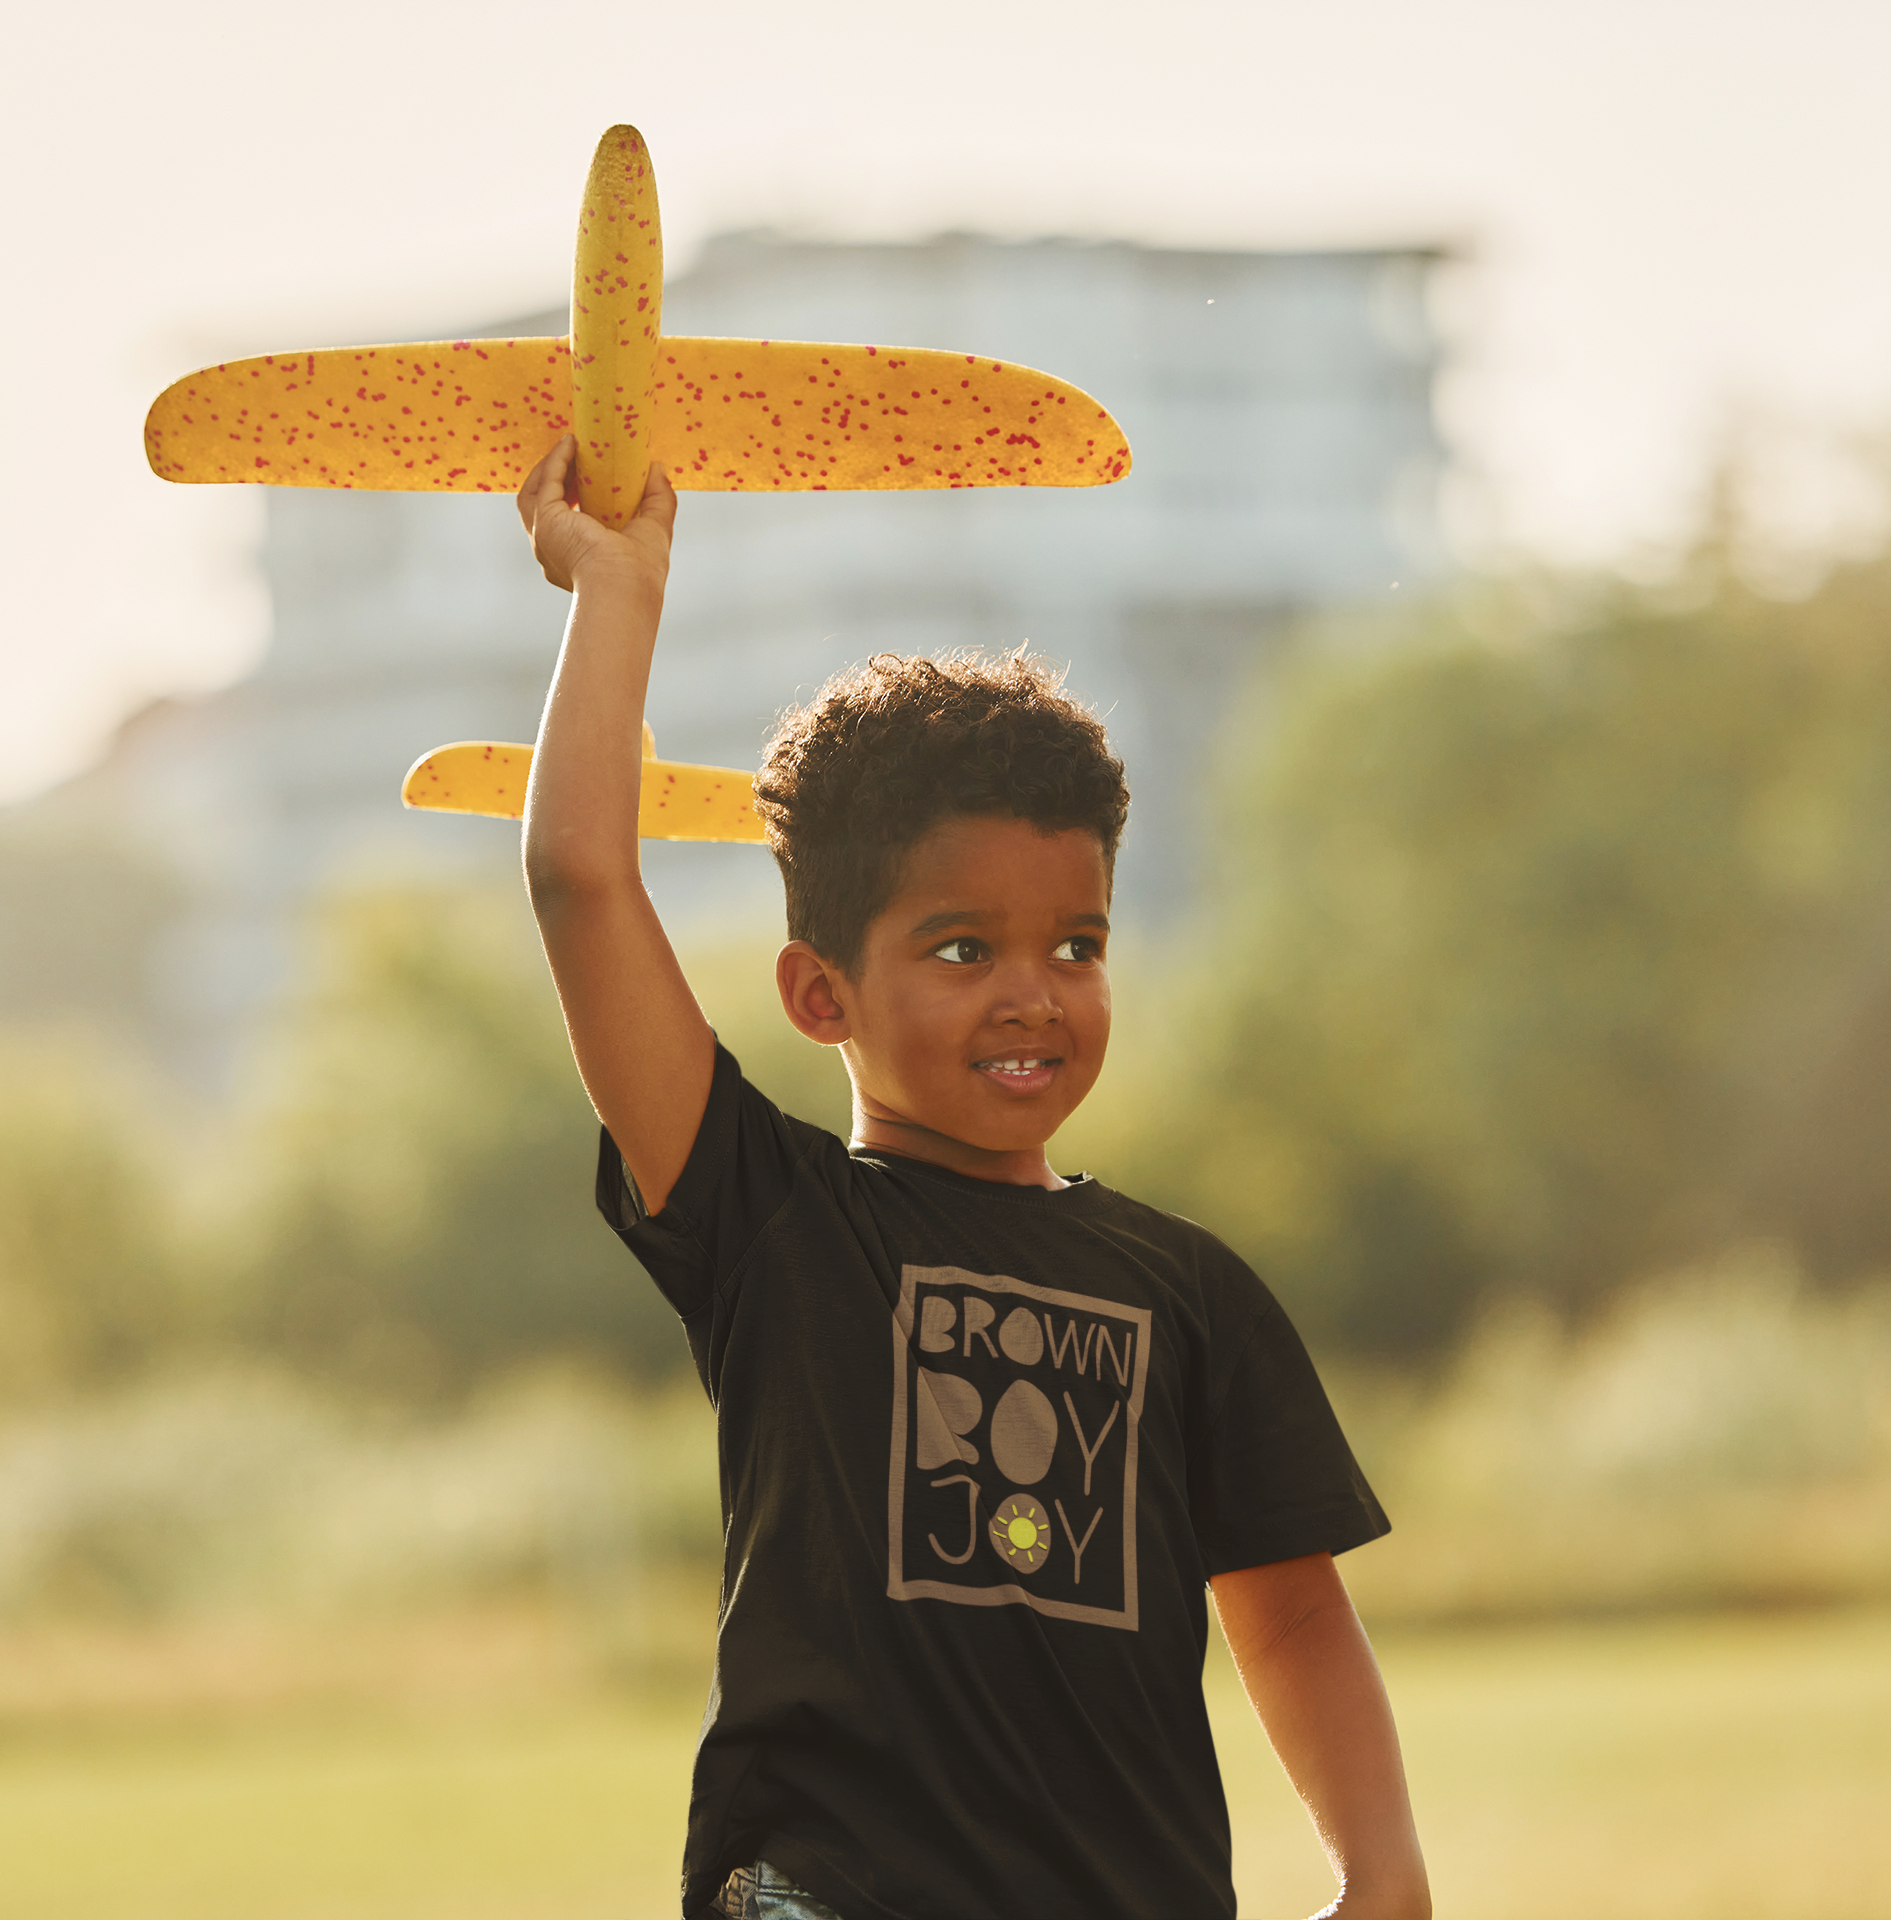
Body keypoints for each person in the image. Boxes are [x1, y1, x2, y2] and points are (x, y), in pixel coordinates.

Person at [517, 433, 1431, 1920]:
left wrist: (1382, 1874)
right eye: (962, 949)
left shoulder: (1190, 1290)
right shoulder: (775, 1221)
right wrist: (617, 590)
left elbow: (1291, 1611)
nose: (1033, 994)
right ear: (820, 994)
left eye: (1077, 945)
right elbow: (581, 881)